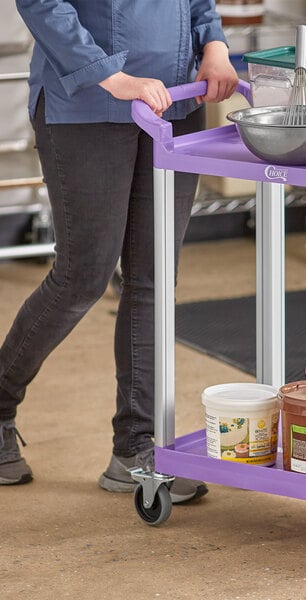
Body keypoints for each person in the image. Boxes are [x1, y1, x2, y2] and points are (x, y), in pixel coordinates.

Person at [0, 0, 238, 502]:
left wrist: (213, 44)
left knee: (153, 278)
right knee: (82, 276)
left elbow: (198, 3)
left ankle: (135, 446)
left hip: (175, 103)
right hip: (87, 106)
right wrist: (111, 76)